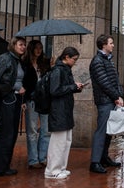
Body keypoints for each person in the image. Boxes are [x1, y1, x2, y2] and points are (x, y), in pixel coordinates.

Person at [0, 36, 27, 177]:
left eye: (24, 45)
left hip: (14, 99)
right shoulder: (5, 59)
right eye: (20, 44)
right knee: (5, 134)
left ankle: (5, 166)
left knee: (11, 133)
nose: (23, 47)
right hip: (6, 101)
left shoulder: (17, 60)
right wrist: (14, 87)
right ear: (13, 45)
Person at [44, 47, 84, 179]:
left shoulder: (65, 69)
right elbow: (54, 90)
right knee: (58, 141)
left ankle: (61, 167)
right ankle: (52, 170)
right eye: (74, 59)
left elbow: (63, 88)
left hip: (65, 108)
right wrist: (73, 86)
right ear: (66, 57)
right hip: (58, 109)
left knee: (66, 140)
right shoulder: (58, 70)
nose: (75, 62)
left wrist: (75, 87)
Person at [89, 34, 124, 174]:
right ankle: (95, 162)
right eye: (111, 43)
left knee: (109, 131)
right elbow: (104, 82)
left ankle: (104, 158)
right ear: (103, 45)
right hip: (104, 101)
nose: (113, 45)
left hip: (111, 99)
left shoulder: (108, 60)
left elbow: (115, 79)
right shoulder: (98, 61)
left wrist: (119, 94)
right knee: (102, 131)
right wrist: (116, 96)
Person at [22, 39, 51, 169]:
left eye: (40, 48)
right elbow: (22, 82)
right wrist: (23, 101)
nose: (39, 50)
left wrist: (52, 67)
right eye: (36, 48)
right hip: (31, 100)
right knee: (32, 131)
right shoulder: (25, 63)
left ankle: (43, 157)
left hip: (44, 100)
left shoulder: (45, 63)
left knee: (46, 130)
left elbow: (49, 80)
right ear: (31, 49)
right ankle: (33, 160)